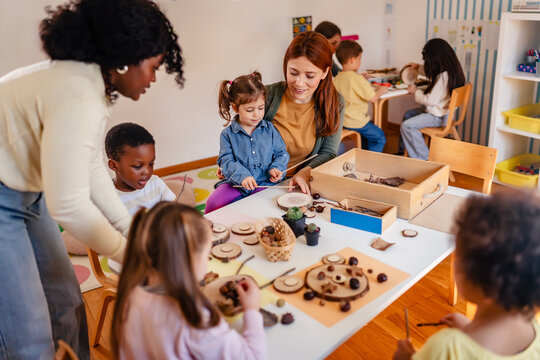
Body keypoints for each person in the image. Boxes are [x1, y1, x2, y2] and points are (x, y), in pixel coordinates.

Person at [0, 0, 184, 358]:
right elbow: (68, 206)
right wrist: (127, 253)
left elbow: (92, 168)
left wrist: (128, 229)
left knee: (66, 301)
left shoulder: (89, 86)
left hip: (29, 191)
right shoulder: (77, 92)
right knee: (29, 333)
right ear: (126, 57)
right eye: (152, 67)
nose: (153, 78)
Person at [393, 190, 540, 360]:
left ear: (483, 282)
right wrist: (468, 328)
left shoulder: (448, 348)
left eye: (458, 257)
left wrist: (405, 357)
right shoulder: (533, 328)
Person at [111, 202, 266, 359]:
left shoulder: (130, 292)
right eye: (206, 253)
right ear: (188, 261)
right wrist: (251, 310)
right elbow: (252, 356)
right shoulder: (196, 320)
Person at [264, 31, 345, 194]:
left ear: (325, 72)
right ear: (285, 65)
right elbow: (240, 135)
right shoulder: (266, 96)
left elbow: (328, 152)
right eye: (293, 73)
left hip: (300, 182)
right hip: (261, 180)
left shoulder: (335, 103)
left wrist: (305, 172)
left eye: (310, 76)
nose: (299, 83)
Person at [205, 72, 289, 213]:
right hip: (237, 184)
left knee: (255, 208)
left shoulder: (270, 130)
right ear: (236, 108)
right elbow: (226, 160)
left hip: (265, 183)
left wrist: (276, 168)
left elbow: (282, 153)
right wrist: (243, 176)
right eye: (250, 110)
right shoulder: (227, 134)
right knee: (213, 203)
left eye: (261, 108)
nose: (257, 114)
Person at [398, 38, 465, 160]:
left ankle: (424, 159)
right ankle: (402, 152)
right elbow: (434, 72)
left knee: (407, 126)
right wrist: (418, 67)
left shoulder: (443, 77)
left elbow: (429, 100)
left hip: (438, 117)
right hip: (444, 114)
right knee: (408, 115)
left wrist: (415, 91)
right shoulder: (451, 71)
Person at [105, 122, 176, 215]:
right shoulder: (107, 199)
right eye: (138, 166)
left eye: (151, 164)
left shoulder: (156, 183)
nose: (147, 171)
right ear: (114, 166)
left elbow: (174, 214)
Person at [333, 40, 387, 152]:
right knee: (379, 137)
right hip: (356, 121)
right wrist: (381, 90)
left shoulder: (337, 78)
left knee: (367, 138)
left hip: (343, 120)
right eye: (359, 59)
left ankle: (363, 154)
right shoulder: (356, 78)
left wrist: (362, 80)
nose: (360, 62)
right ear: (352, 60)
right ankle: (372, 162)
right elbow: (373, 98)